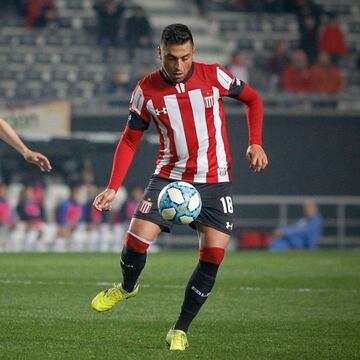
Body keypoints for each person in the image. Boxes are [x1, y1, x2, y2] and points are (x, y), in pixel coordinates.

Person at [91, 24, 268, 351]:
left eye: (185, 57)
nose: (178, 65)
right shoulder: (146, 90)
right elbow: (130, 139)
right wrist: (113, 187)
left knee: (213, 257)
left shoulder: (215, 76)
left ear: (193, 54)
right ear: (160, 53)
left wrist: (255, 143)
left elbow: (253, 100)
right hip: (168, 180)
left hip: (215, 183)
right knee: (134, 242)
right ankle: (128, 287)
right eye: (171, 58)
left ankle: (180, 329)